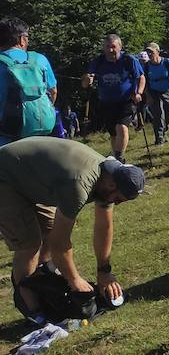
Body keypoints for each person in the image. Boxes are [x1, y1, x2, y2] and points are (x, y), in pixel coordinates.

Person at [0, 137, 144, 323]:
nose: (116, 203)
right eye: (118, 199)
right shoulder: (80, 185)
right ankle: (32, 308)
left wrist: (104, 270)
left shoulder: (107, 176)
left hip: (27, 177)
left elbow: (104, 226)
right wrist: (74, 279)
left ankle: (45, 288)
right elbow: (59, 245)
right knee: (29, 243)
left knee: (49, 229)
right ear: (111, 185)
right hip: (5, 179)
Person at [82, 35, 144, 162]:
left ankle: (119, 156)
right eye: (107, 47)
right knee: (114, 133)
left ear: (120, 47)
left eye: (113, 47)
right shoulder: (98, 61)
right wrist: (88, 79)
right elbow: (85, 83)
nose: (110, 50)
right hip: (107, 102)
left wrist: (139, 93)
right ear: (103, 48)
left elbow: (141, 77)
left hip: (126, 100)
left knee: (122, 127)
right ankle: (116, 158)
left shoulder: (129, 60)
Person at [0, 18, 59, 146]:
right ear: (22, 39)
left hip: (6, 136)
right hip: (42, 132)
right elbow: (53, 91)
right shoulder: (39, 59)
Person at [140, 43, 169, 145]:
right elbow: (144, 82)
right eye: (148, 52)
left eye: (152, 52)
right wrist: (148, 96)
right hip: (153, 91)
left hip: (168, 90)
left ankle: (164, 131)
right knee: (158, 114)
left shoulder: (167, 62)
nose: (149, 54)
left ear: (158, 52)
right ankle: (159, 138)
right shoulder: (146, 66)